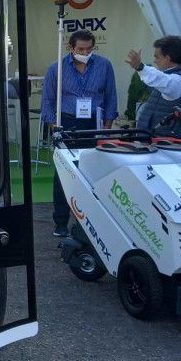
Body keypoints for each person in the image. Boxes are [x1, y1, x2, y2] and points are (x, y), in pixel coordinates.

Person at [41, 30, 118, 237]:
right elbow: (47, 101)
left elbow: (111, 96)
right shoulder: (56, 68)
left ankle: (91, 222)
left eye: (89, 49)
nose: (85, 52)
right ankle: (60, 222)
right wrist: (53, 126)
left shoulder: (104, 65)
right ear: (71, 48)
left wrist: (106, 127)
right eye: (81, 49)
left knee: (92, 171)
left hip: (94, 122)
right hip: (66, 123)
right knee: (64, 173)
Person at [126, 35, 181, 131]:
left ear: (167, 58)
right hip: (159, 139)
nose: (154, 61)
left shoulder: (178, 80)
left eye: (157, 57)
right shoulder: (180, 75)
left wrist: (140, 67)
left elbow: (163, 81)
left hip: (166, 141)